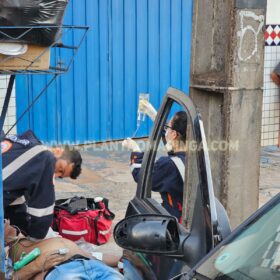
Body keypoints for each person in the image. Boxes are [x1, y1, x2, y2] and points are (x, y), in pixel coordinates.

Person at [2, 130, 82, 240]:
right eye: (60, 169)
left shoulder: (23, 144)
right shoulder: (44, 157)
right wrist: (37, 235)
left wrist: (23, 227)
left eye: (60, 175)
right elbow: (42, 211)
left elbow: (14, 193)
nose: (55, 174)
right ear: (58, 151)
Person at [122, 103, 187, 222]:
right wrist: (154, 115)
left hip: (174, 221)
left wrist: (135, 150)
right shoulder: (193, 156)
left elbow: (141, 174)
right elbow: (171, 142)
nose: (166, 128)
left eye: (168, 126)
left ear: (174, 134)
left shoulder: (168, 165)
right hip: (189, 216)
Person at [4, 220, 123, 280]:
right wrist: (36, 265)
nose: (6, 221)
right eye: (3, 221)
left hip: (92, 265)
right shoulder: (8, 252)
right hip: (62, 272)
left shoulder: (38, 230)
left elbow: (93, 255)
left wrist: (121, 260)